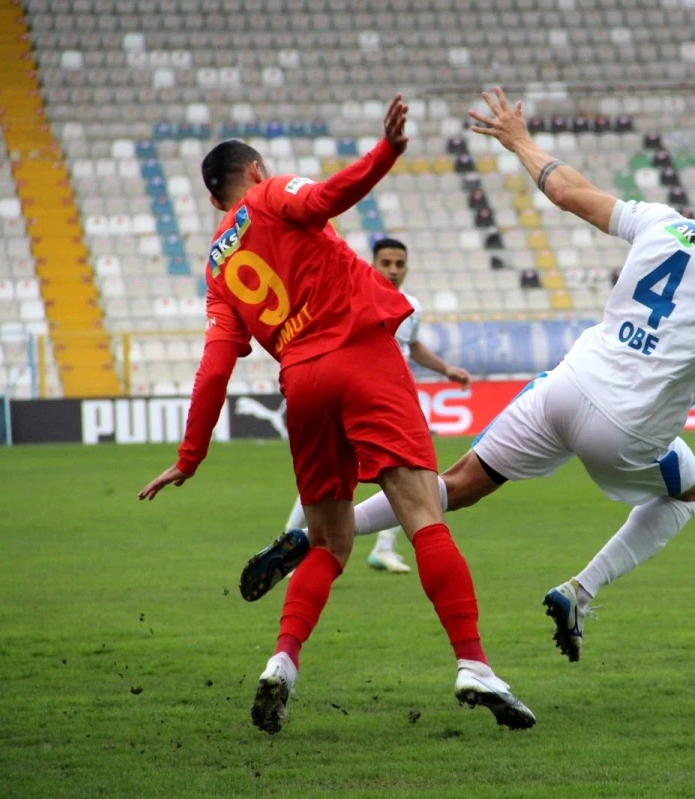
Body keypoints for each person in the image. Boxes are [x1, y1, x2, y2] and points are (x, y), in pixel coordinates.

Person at [238, 87, 695, 664]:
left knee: (454, 484)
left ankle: (306, 536)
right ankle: (579, 592)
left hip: (564, 387)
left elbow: (566, 190)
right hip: (627, 428)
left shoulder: (663, 220)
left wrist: (516, 138)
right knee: (691, 492)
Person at [137, 94, 535, 734]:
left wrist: (190, 459)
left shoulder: (217, 266)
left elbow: (215, 368)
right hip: (360, 353)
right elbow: (323, 199)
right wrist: (387, 153)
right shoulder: (270, 196)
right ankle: (473, 664)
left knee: (327, 542)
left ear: (215, 201)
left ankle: (282, 664)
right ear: (258, 171)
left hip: (302, 382)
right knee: (421, 512)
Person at [272, 238, 472, 576]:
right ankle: (291, 543)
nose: (393, 271)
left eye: (399, 264)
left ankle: (383, 548)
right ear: (372, 264)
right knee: (330, 479)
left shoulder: (411, 305)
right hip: (355, 400)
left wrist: (445, 369)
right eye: (386, 263)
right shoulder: (351, 294)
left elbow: (413, 345)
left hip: (392, 403)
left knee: (414, 474)